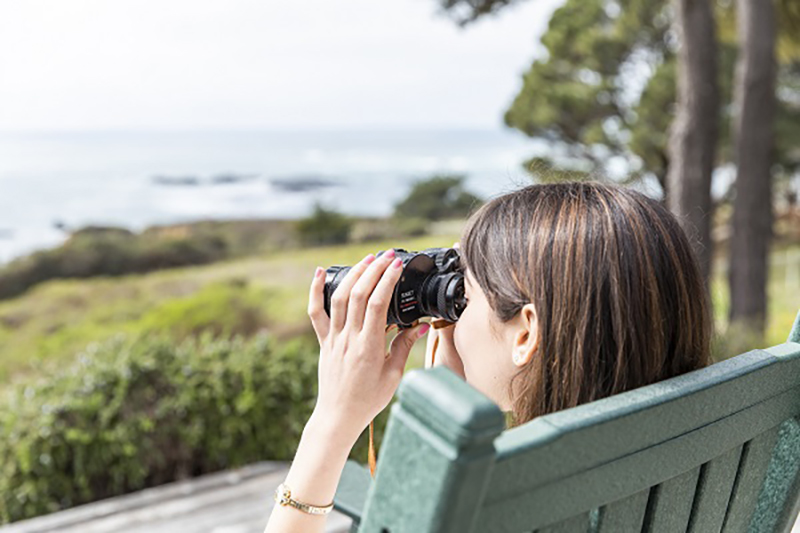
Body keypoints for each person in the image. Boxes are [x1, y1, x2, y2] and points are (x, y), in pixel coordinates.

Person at [263, 181, 712, 532]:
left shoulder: (506, 510)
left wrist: (334, 420)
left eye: (465, 296)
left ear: (526, 333)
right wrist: (452, 410)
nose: (454, 321)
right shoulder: (683, 474)